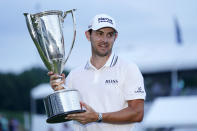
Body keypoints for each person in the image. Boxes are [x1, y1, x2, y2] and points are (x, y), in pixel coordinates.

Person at [49, 13, 146, 131]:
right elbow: (67, 114)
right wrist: (60, 91)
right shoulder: (74, 75)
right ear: (88, 35)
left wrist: (98, 117)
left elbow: (137, 113)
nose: (104, 40)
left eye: (109, 35)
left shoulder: (129, 68)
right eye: (99, 34)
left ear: (115, 37)